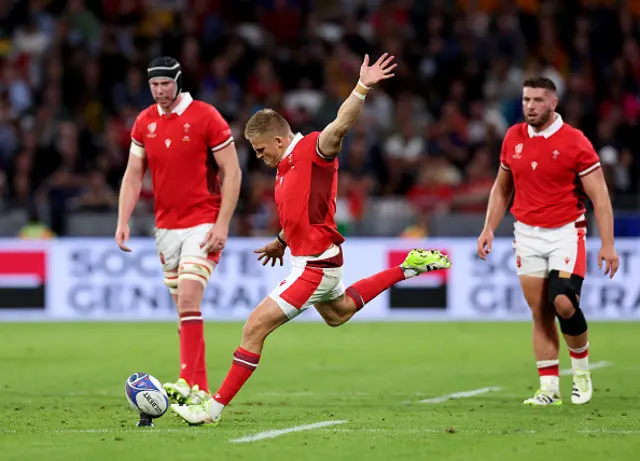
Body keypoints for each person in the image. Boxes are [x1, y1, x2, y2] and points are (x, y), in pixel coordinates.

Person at [170, 53, 451, 425]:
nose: (260, 158)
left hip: (315, 266)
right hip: (317, 260)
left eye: (260, 150)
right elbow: (302, 213)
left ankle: (211, 410)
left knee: (254, 327)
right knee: (340, 313)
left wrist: (362, 86)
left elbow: (339, 127)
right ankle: (408, 268)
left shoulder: (313, 150)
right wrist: (281, 240)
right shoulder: (285, 166)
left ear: (278, 137)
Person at [477, 77, 619, 406]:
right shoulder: (513, 137)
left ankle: (581, 372)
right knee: (540, 311)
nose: (530, 106)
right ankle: (549, 390)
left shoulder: (575, 142)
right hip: (526, 234)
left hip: (566, 232)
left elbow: (600, 197)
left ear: (554, 103)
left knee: (563, 303)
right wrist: (489, 228)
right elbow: (501, 188)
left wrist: (608, 244)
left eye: (539, 100)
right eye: (527, 99)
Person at [115, 57, 242, 405]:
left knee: (188, 299)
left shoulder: (206, 116)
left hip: (202, 222)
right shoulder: (144, 122)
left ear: (178, 81)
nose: (159, 91)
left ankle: (186, 380)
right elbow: (132, 174)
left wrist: (222, 222)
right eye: (154, 85)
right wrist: (122, 220)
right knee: (186, 308)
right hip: (165, 228)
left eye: (165, 85)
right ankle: (199, 388)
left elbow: (232, 172)